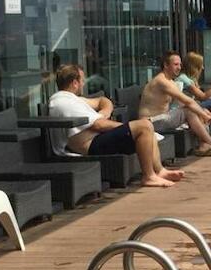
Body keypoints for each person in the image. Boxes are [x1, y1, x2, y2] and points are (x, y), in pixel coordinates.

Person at [47, 64, 184, 188]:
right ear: (75, 83)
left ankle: (160, 171)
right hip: (90, 146)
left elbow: (103, 100)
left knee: (145, 126)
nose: (83, 84)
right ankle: (149, 176)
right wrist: (126, 127)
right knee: (144, 126)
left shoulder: (73, 99)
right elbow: (98, 125)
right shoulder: (63, 103)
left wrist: (104, 112)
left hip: (99, 139)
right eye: (82, 80)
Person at [141, 52, 211, 157]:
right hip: (150, 122)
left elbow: (183, 103)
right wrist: (203, 114)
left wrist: (202, 111)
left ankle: (204, 146)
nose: (179, 67)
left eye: (180, 65)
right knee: (190, 111)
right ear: (166, 65)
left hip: (163, 118)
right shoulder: (161, 81)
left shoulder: (171, 82)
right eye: (175, 64)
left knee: (196, 110)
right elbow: (188, 101)